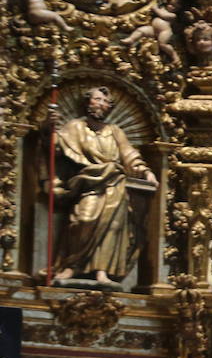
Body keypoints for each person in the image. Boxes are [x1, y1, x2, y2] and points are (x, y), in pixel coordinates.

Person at [48, 86, 157, 286]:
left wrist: (147, 172)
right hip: (88, 184)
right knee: (83, 220)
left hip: (114, 184)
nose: (101, 104)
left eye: (105, 101)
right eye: (97, 99)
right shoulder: (74, 127)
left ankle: (102, 271)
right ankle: (71, 266)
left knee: (113, 229)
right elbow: (57, 148)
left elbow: (130, 156)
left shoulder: (115, 132)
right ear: (87, 102)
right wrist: (48, 128)